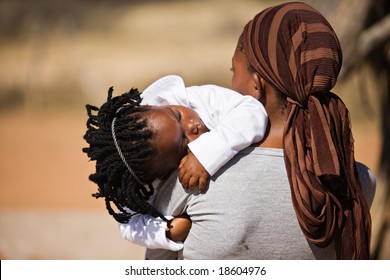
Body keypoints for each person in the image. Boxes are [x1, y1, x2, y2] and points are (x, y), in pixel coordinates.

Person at [145, 1, 375, 260]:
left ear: (257, 85)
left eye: (234, 71)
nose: (231, 84)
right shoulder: (358, 181)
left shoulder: (194, 178)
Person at [83, 75, 267, 251]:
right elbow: (128, 224)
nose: (192, 125)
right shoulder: (146, 176)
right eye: (184, 142)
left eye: (177, 115)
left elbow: (253, 111)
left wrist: (206, 152)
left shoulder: (193, 98)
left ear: (156, 105)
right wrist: (167, 230)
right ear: (162, 173)